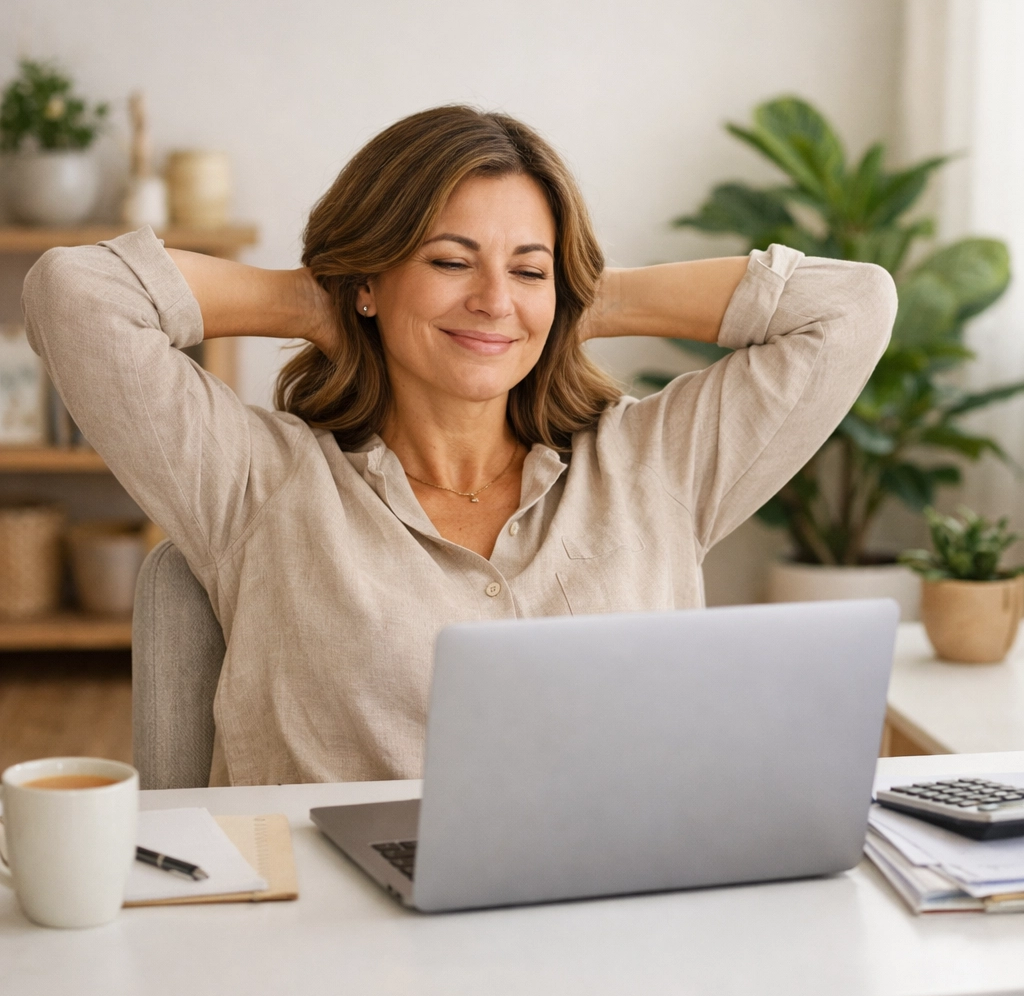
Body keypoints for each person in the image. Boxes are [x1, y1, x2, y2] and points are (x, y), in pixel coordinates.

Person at [22, 106, 897, 786]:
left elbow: (852, 307)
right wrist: (315, 301)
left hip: (609, 921)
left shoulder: (653, 466)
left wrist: (579, 300)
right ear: (370, 276)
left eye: (527, 267)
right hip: (336, 944)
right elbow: (77, 292)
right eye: (448, 261)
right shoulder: (254, 482)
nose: (492, 300)